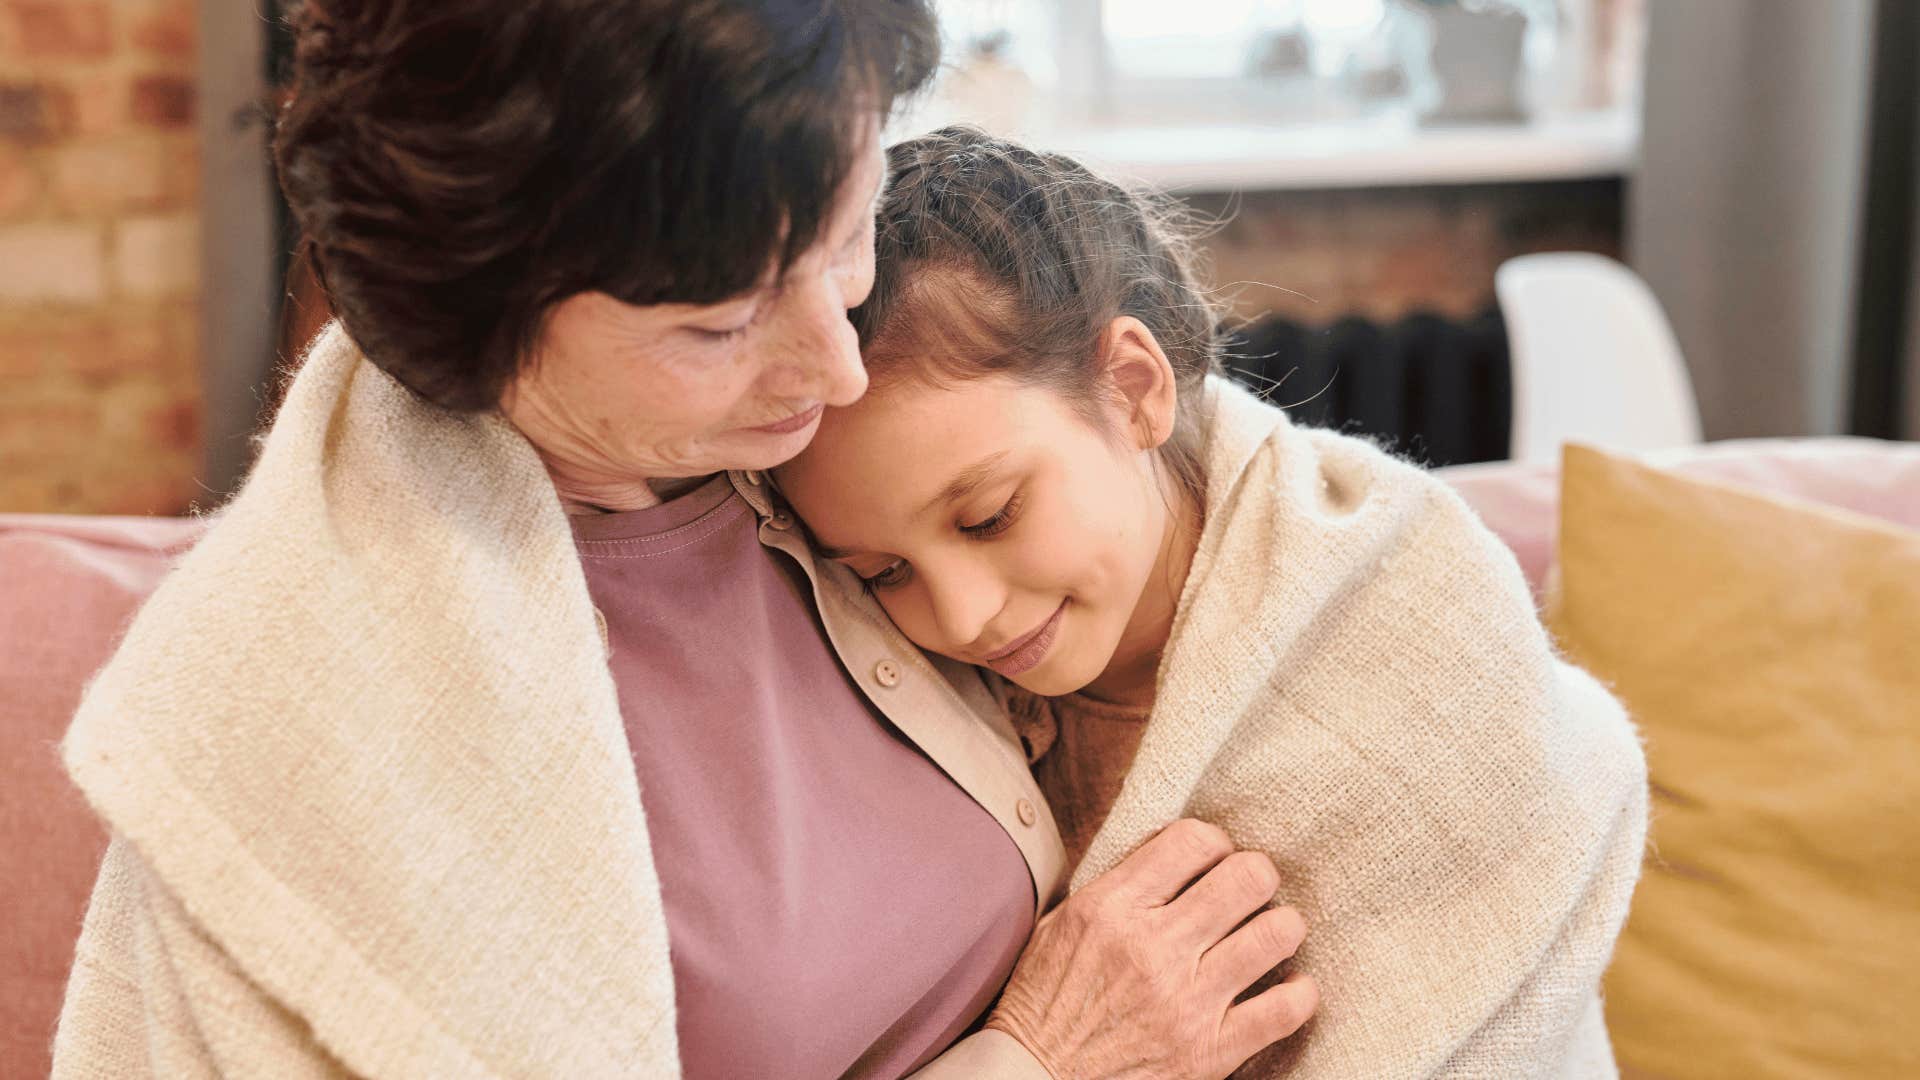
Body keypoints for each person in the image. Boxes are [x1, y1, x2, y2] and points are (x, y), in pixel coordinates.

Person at [49, 7, 1314, 1080]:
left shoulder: (823, 434)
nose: (836, 366)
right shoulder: (308, 723)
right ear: (481, 333)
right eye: (719, 328)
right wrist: (1042, 1059)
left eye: (846, 234)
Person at [775, 126, 1652, 1077]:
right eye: (883, 573)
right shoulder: (900, 702)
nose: (958, 617)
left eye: (989, 517)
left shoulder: (1410, 617)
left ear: (1133, 389)